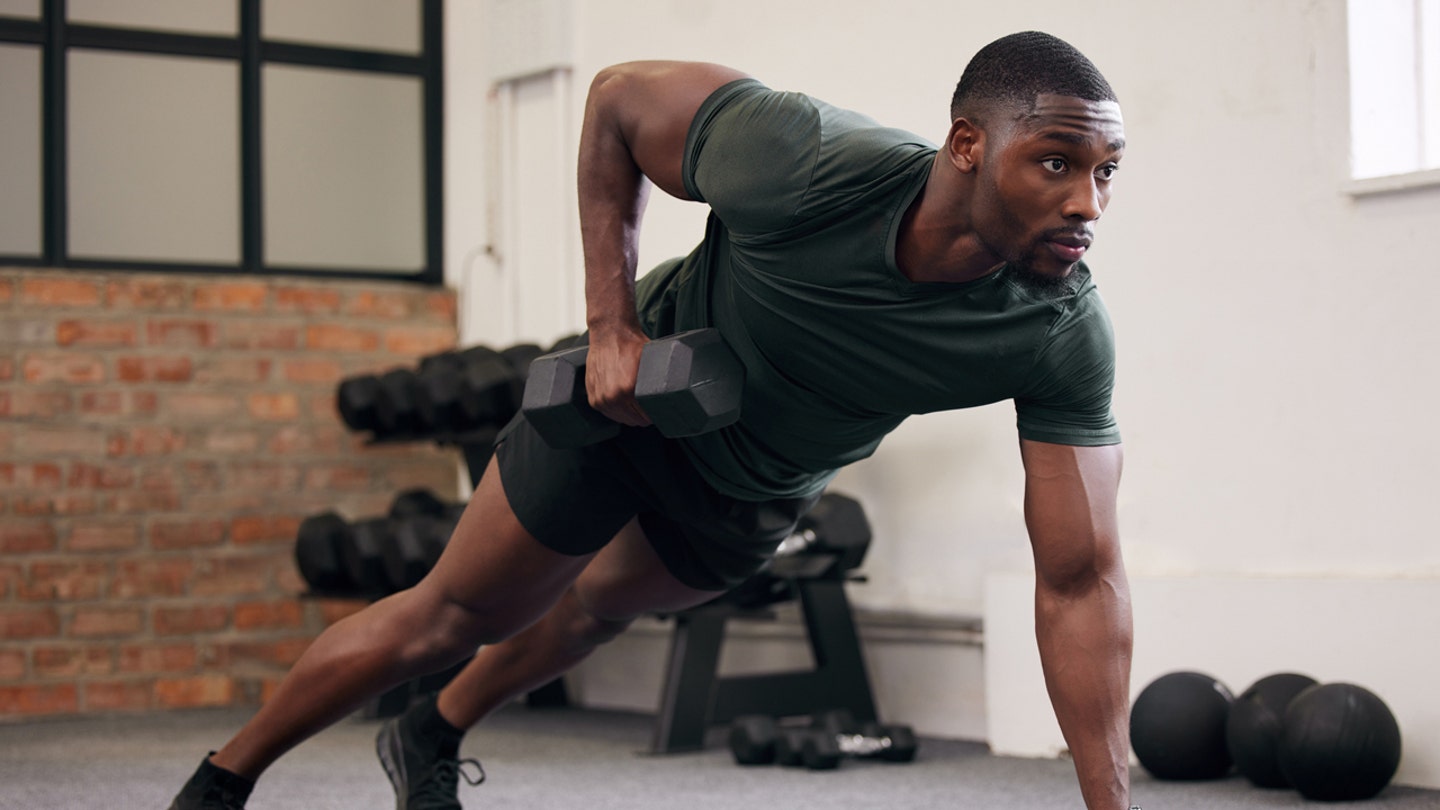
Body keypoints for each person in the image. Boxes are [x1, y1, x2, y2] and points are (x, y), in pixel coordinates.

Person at [169, 30, 1136, 810]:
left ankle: (430, 730)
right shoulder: (806, 161)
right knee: (456, 616)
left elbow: (1079, 578)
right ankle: (223, 780)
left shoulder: (1057, 333)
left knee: (594, 614)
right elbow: (619, 100)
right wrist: (609, 326)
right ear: (969, 144)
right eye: (1055, 162)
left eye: (1105, 173)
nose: (1084, 203)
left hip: (754, 489)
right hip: (627, 414)